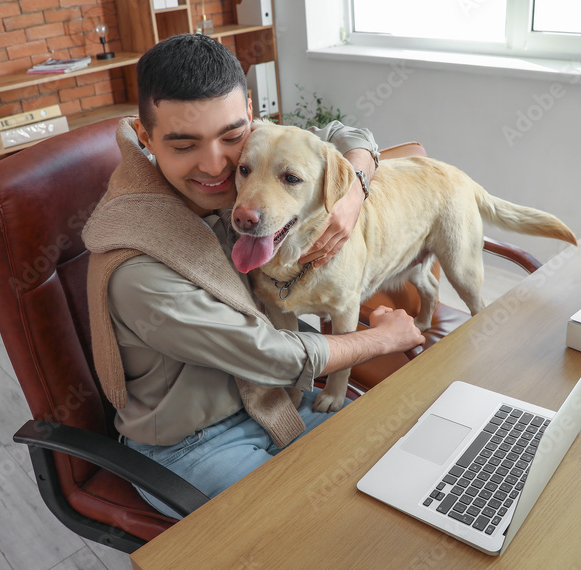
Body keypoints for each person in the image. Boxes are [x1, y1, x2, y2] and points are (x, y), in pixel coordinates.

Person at [83, 33, 425, 517]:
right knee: (328, 525)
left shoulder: (254, 156)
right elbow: (267, 355)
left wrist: (354, 190)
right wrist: (381, 338)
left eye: (230, 137)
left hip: (273, 400)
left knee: (407, 463)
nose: (217, 166)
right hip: (194, 444)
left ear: (249, 111)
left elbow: (344, 136)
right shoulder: (137, 266)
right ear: (145, 137)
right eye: (183, 145)